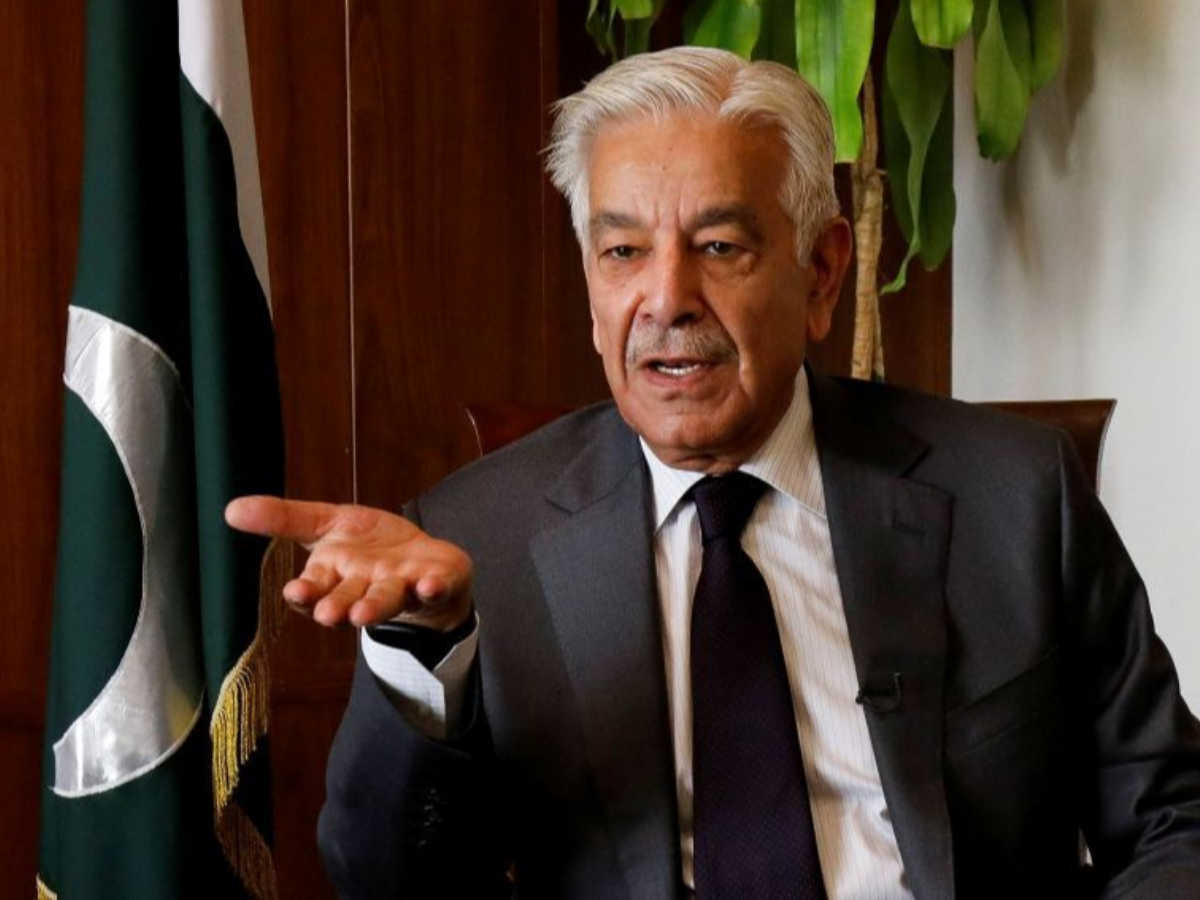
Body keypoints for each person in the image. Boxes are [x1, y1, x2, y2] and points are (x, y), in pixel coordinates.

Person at [227, 48, 1200, 899]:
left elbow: (1173, 820)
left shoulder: (1013, 496)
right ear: (591, 286)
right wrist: (420, 653)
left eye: (720, 246)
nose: (667, 298)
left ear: (821, 273)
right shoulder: (484, 540)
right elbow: (388, 882)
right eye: (623, 251)